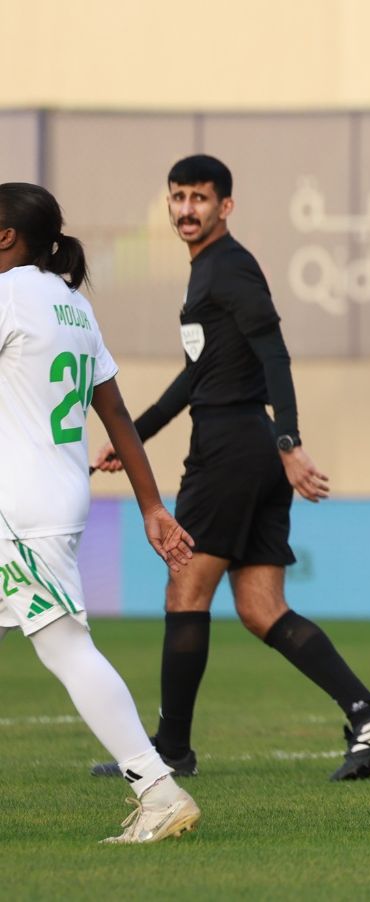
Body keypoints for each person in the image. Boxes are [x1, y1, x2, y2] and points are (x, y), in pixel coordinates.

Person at [90, 155, 370, 782]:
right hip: (249, 448)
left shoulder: (229, 267)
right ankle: (368, 710)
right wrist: (135, 436)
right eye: (178, 197)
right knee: (262, 607)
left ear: (225, 207)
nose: (187, 209)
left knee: (185, 589)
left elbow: (274, 352)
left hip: (233, 450)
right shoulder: (209, 271)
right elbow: (197, 373)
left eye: (200, 198)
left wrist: (291, 441)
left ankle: (171, 751)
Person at [0, 182, 201, 842]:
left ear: (6, 237)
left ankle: (157, 788)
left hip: (20, 508)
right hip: (52, 495)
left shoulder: (7, 296)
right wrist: (150, 505)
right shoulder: (72, 304)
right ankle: (157, 787)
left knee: (65, 647)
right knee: (63, 644)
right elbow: (112, 411)